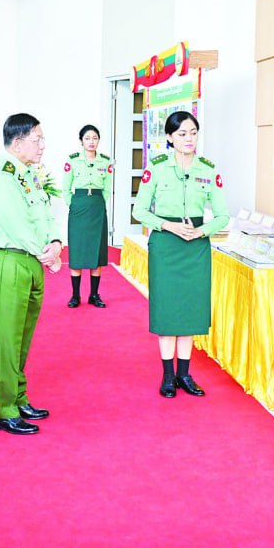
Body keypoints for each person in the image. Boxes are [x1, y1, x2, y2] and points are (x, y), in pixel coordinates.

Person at [131, 110, 230, 398]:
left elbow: (223, 216)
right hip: (166, 245)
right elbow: (139, 211)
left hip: (195, 247)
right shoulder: (157, 168)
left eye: (193, 133)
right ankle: (167, 376)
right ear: (170, 137)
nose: (189, 139)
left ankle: (184, 374)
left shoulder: (208, 170)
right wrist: (169, 226)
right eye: (182, 134)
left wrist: (201, 231)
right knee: (167, 309)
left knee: (189, 309)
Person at [0, 113, 62, 435]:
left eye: (42, 139)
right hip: (9, 260)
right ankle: (2, 410)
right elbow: (16, 223)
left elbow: (43, 213)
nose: (42, 146)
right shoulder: (3, 174)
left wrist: (55, 242)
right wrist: (46, 252)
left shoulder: (28, 174)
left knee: (20, 339)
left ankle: (17, 396)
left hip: (30, 259)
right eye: (37, 140)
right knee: (5, 340)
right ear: (17, 143)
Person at [63, 124, 112, 308]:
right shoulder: (73, 160)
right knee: (77, 251)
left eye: (95, 138)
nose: (91, 142)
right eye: (87, 138)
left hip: (97, 206)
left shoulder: (105, 161)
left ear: (98, 140)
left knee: (96, 252)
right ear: (81, 141)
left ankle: (94, 295)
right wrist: (73, 204)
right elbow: (65, 188)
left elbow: (107, 188)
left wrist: (99, 202)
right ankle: (75, 295)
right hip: (79, 205)